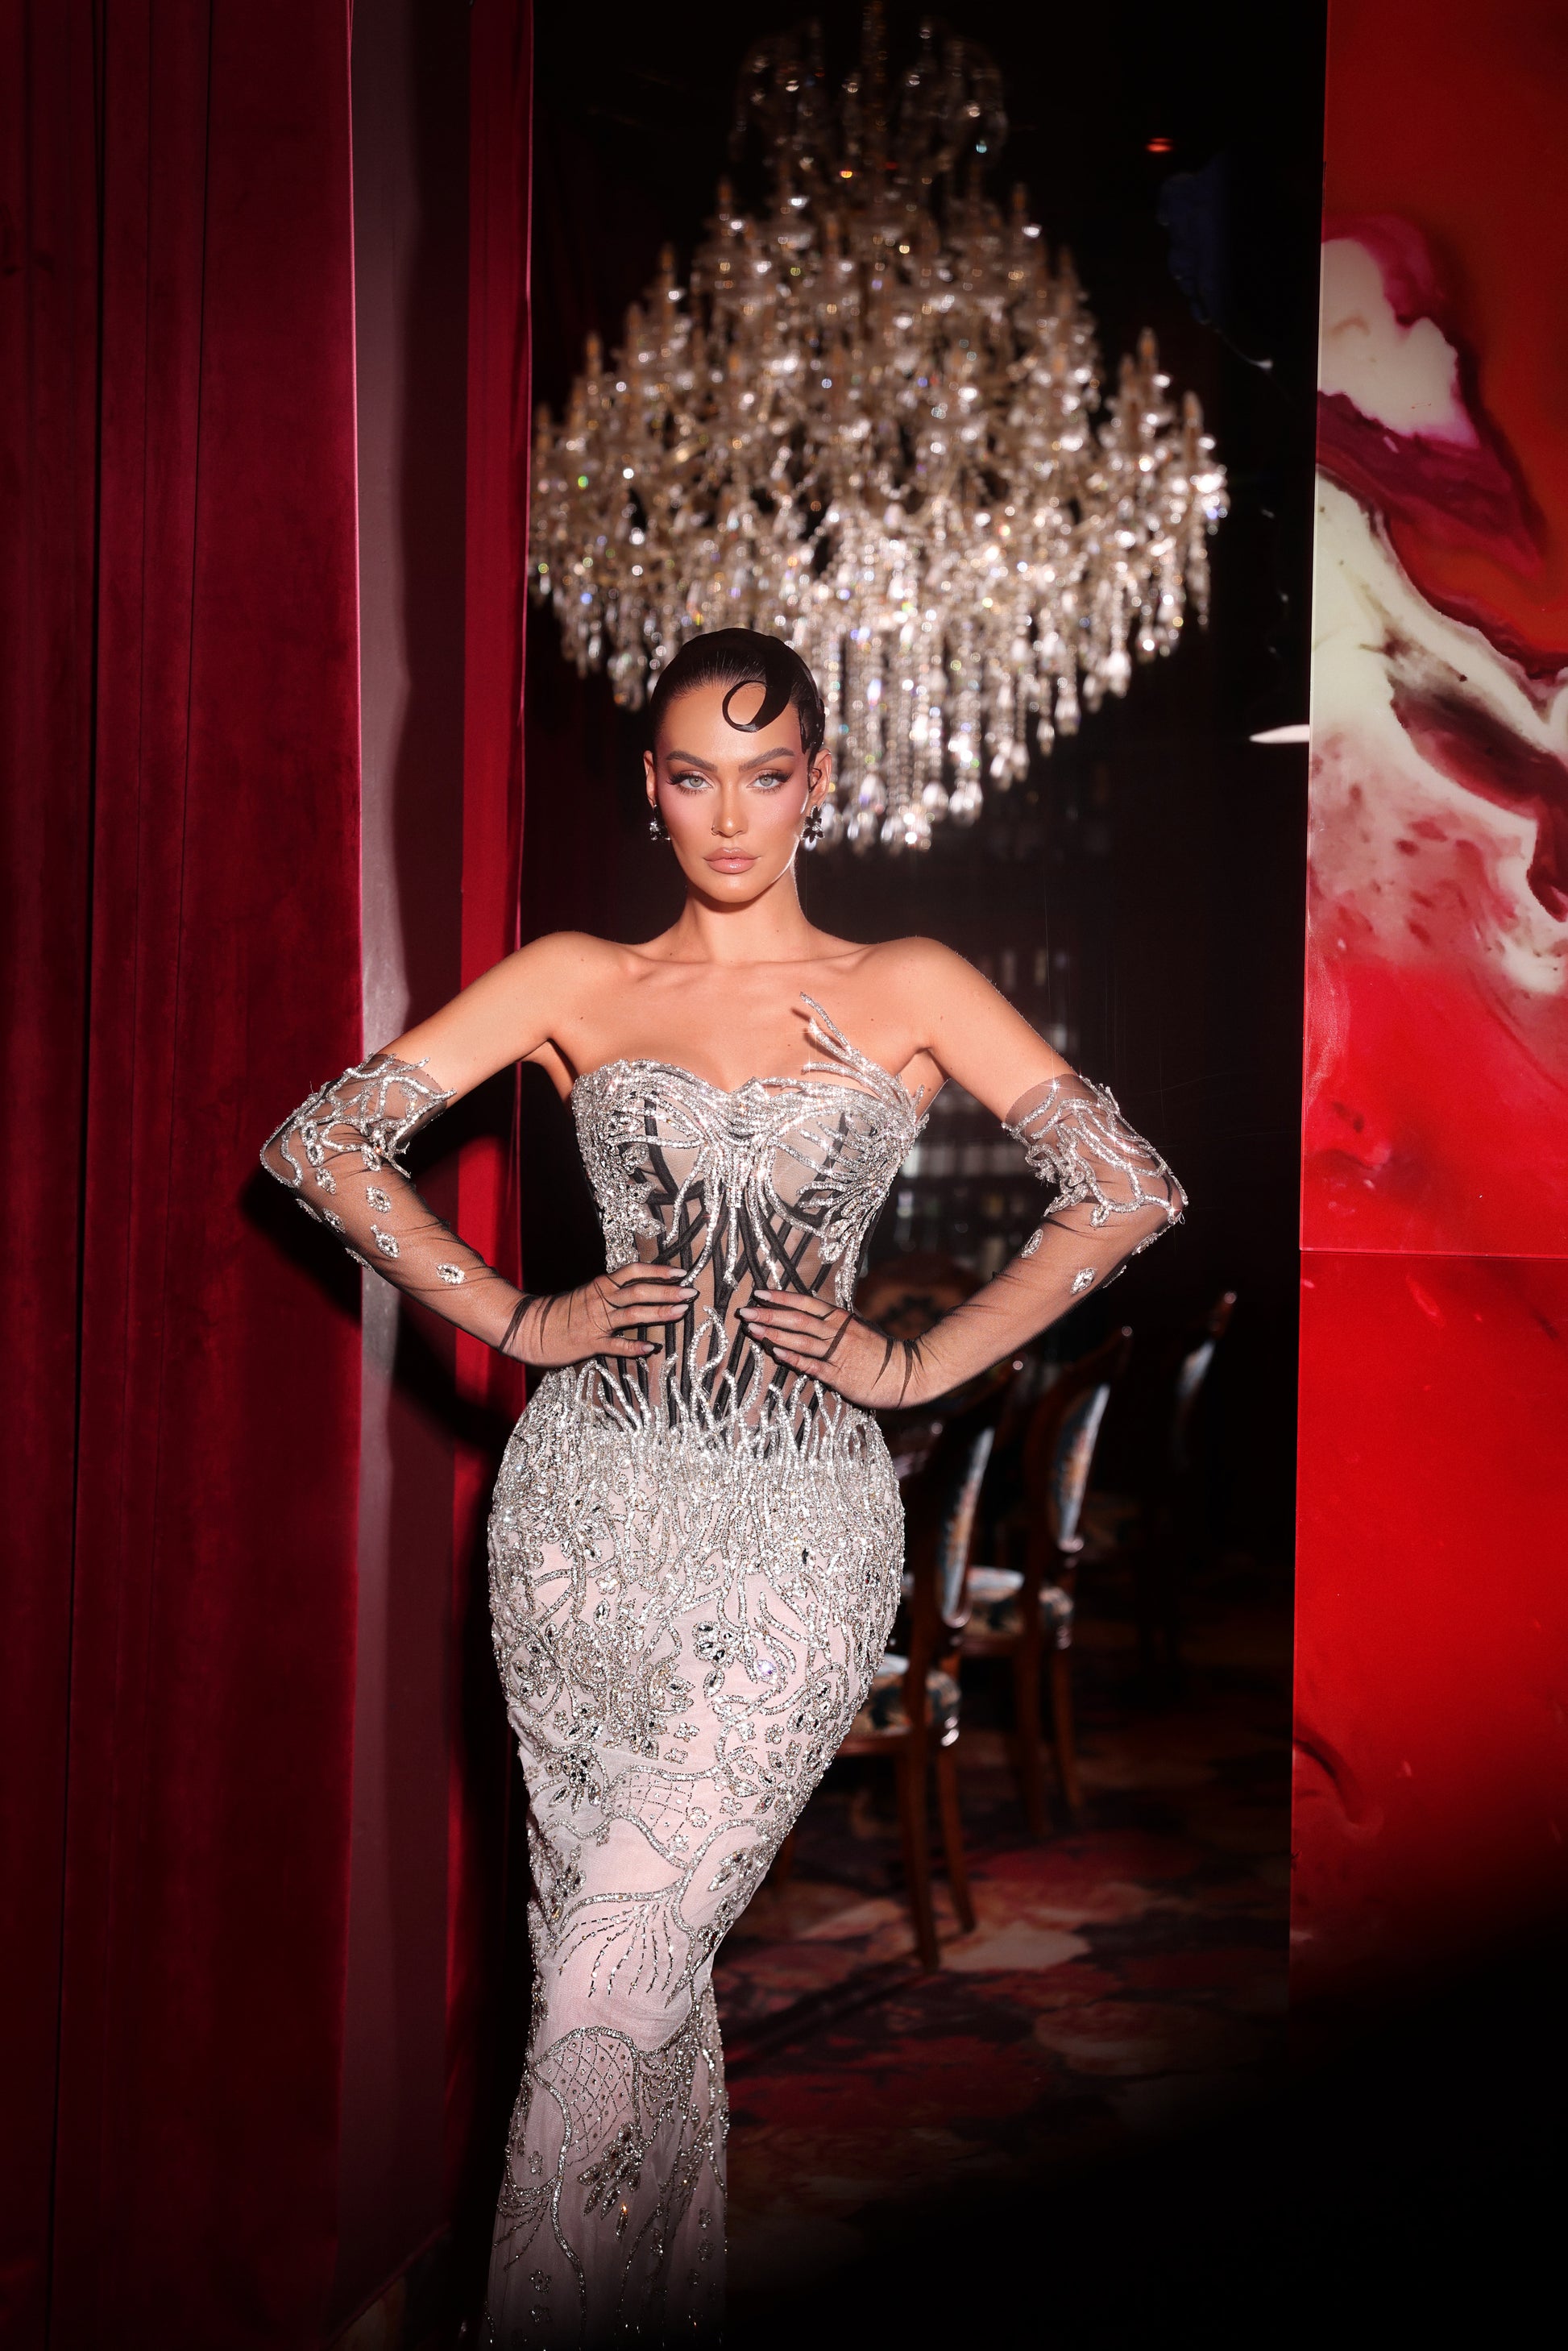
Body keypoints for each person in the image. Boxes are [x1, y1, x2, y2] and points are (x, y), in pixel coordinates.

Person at [260, 628, 1184, 2347]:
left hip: (794, 1540)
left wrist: (915, 1365)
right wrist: (515, 1312)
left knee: (603, 1987)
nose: (731, 813)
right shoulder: (572, 978)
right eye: (694, 775)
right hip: (579, 1532)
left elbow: (1124, 1188)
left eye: (768, 775)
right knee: (619, 1979)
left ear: (822, 782)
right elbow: (320, 1141)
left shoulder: (908, 981)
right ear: (650, 786)